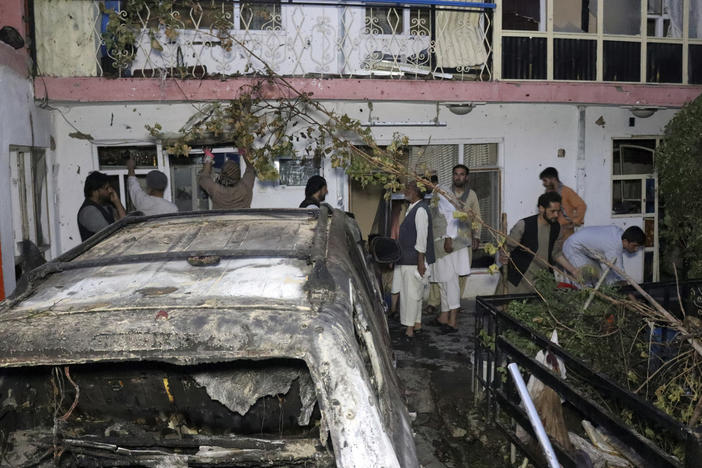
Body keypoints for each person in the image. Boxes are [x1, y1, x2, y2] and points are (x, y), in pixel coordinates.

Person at [497, 192, 579, 294]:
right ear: (541, 208)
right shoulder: (524, 225)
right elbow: (506, 247)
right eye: (552, 211)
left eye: (558, 211)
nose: (556, 215)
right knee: (502, 307)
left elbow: (556, 253)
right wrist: (502, 254)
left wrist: (573, 271)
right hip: (516, 279)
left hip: (541, 282)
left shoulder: (557, 228)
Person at [432, 164, 480, 330]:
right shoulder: (441, 192)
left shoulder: (446, 193)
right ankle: (444, 316)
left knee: (452, 280)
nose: (458, 177)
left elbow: (459, 218)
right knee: (444, 280)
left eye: (461, 175)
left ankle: (452, 319)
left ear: (466, 177)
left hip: (456, 241)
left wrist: (476, 236)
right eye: (455, 174)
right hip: (448, 242)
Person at [392, 180, 435, 339]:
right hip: (409, 259)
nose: (405, 190)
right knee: (415, 295)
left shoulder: (421, 210)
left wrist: (420, 262)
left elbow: (422, 238)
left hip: (413, 260)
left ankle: (409, 330)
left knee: (410, 296)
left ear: (417, 191)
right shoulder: (413, 208)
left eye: (408, 188)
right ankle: (417, 324)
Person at [563, 225, 646, 285]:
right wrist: (631, 296)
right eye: (634, 246)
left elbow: (610, 269)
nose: (636, 249)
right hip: (574, 248)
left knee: (598, 276)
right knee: (585, 280)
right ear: (625, 241)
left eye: (638, 246)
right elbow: (620, 273)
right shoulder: (614, 246)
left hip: (583, 249)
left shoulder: (619, 233)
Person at [77, 171, 126, 241]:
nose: (110, 191)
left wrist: (117, 202)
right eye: (106, 188)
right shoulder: (89, 212)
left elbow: (124, 224)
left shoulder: (107, 206)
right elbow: (113, 237)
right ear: (95, 192)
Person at [539, 167, 587, 239]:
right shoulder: (548, 192)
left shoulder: (566, 191)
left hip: (565, 231)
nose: (543, 184)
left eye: (545, 181)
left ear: (553, 179)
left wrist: (575, 221)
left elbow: (582, 205)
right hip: (551, 231)